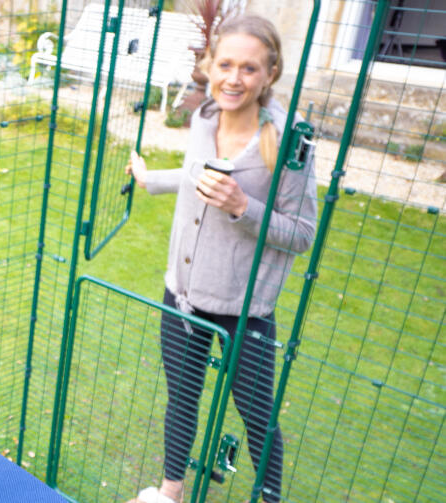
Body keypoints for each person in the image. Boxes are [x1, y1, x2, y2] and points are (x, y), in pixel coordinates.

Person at [124, 14, 317, 503]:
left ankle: (268, 498)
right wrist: (152, 181)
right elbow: (195, 174)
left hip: (243, 308)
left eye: (249, 68)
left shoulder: (291, 142)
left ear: (270, 73)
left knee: (257, 414)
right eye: (225, 64)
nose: (234, 78)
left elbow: (302, 233)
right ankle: (170, 491)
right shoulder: (205, 115)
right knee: (182, 400)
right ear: (209, 65)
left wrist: (241, 207)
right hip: (181, 294)